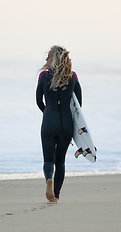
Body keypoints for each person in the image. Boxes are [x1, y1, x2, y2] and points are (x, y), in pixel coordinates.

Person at [36, 45, 82, 203]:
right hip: (66, 123)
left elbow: (38, 101)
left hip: (49, 121)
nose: (46, 59)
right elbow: (78, 106)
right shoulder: (73, 76)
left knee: (49, 160)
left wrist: (48, 114)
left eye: (48, 56)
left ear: (54, 59)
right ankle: (56, 196)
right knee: (60, 161)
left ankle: (49, 178)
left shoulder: (43, 76)